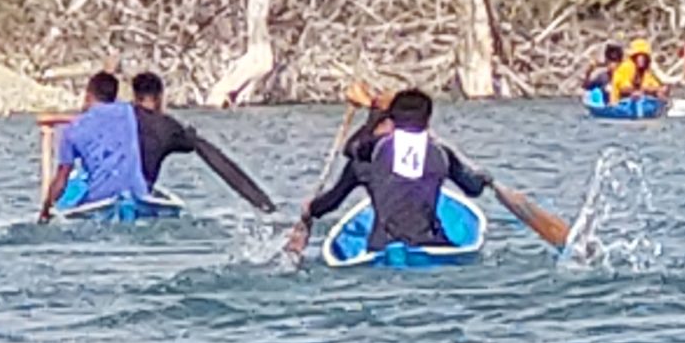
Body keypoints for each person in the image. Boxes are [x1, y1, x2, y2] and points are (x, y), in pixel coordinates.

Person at [285, 88, 493, 257]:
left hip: (380, 248)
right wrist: (484, 178)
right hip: (434, 246)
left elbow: (331, 201)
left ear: (391, 121)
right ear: (428, 120)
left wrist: (310, 210)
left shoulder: (368, 157)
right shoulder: (443, 155)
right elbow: (472, 188)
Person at [130, 72, 272, 210]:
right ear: (160, 97)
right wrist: (189, 133)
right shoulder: (168, 127)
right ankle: (263, 205)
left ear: (135, 96)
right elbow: (190, 145)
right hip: (144, 190)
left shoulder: (121, 117)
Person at [37, 71, 150, 220]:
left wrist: (46, 210)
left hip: (101, 197)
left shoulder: (72, 131)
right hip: (137, 192)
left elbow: (62, 178)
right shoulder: (127, 112)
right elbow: (100, 116)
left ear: (88, 95)